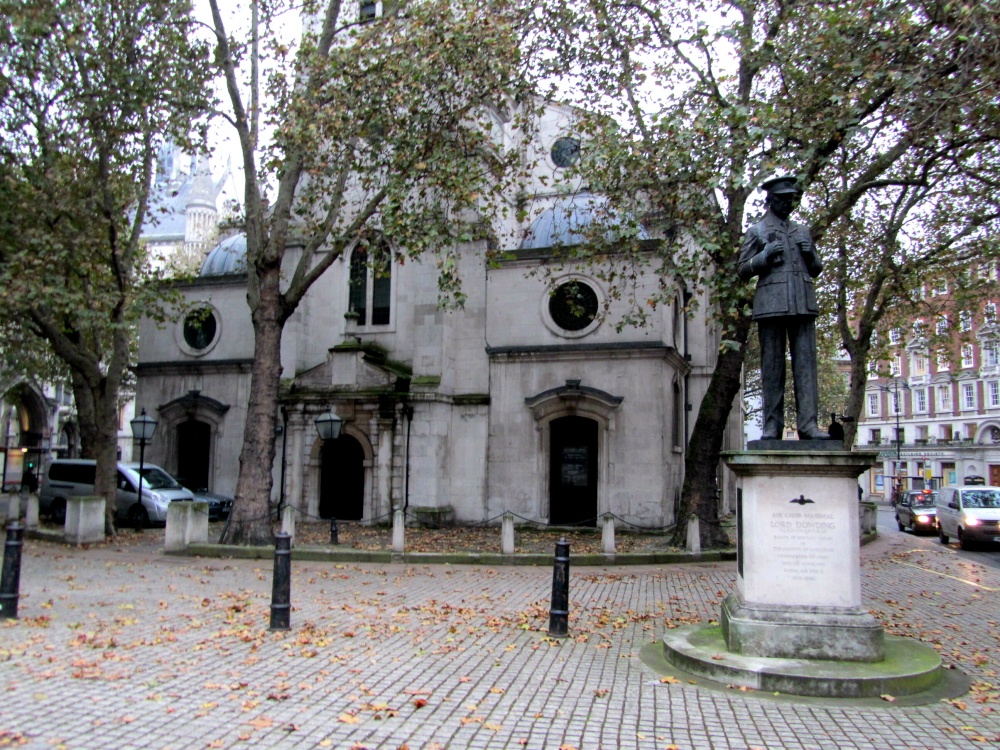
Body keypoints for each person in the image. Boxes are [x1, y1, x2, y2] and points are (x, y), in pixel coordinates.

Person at [738, 175, 829, 441]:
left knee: (806, 366)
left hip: (802, 301)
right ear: (771, 200)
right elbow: (742, 269)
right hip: (771, 304)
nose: (789, 204)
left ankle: (808, 425)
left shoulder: (801, 230)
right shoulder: (757, 231)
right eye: (783, 200)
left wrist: (811, 253)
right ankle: (772, 426)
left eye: (791, 200)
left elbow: (816, 268)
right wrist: (764, 256)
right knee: (772, 368)